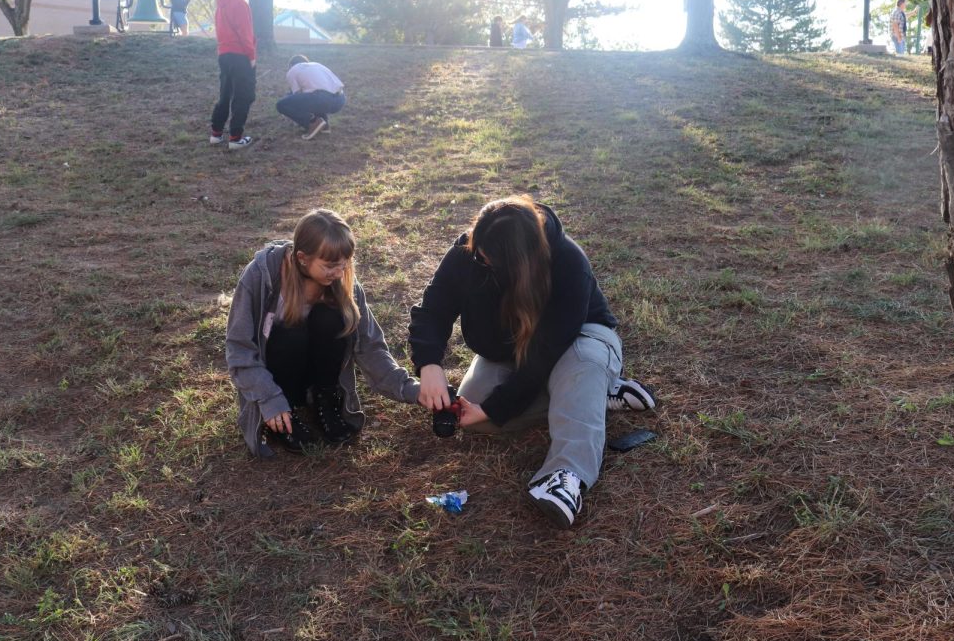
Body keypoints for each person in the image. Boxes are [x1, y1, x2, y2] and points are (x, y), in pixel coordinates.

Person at [409, 197, 657, 529]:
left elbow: (546, 353)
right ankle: (590, 397)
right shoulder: (470, 252)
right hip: (511, 353)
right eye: (478, 252)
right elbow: (432, 310)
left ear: (520, 262)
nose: (479, 260)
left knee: (578, 370)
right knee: (477, 415)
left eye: (489, 261)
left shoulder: (568, 262)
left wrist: (501, 405)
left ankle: (564, 475)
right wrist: (429, 365)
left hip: (578, 340)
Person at [226, 209, 421, 457]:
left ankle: (325, 400)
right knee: (290, 331)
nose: (339, 273)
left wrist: (412, 390)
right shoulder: (260, 275)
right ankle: (286, 411)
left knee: (332, 317)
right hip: (276, 375)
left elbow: (370, 347)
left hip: (318, 370)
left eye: (344, 264)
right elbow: (238, 349)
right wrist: (268, 399)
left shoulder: (342, 279)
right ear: (302, 258)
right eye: (330, 266)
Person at [210, 0, 256, 150]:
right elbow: (245, 33)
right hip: (240, 55)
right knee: (244, 95)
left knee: (225, 94)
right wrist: (251, 56)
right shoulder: (240, 3)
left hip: (224, 54)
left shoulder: (221, 5)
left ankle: (216, 133)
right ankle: (236, 138)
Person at [276, 55, 345, 141]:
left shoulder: (292, 71)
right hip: (340, 99)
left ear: (290, 65)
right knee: (313, 93)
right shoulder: (317, 65)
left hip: (322, 99)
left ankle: (312, 122)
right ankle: (324, 125)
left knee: (282, 104)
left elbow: (297, 96)